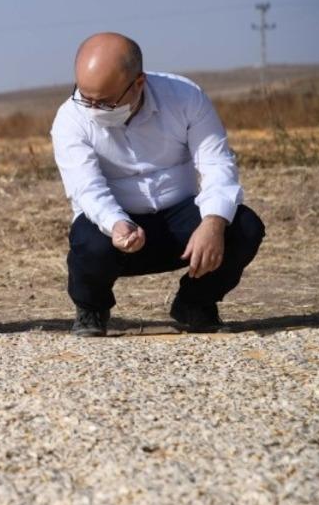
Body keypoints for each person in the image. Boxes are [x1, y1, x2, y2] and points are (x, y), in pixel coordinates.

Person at [51, 32, 265, 336]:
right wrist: (117, 224)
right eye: (86, 98)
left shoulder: (186, 98)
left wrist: (213, 224)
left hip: (182, 224)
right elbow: (87, 189)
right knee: (87, 239)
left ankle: (195, 303)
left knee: (244, 226)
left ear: (138, 83)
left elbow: (218, 165)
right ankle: (92, 310)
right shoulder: (70, 118)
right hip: (117, 233)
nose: (93, 109)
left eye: (106, 102)